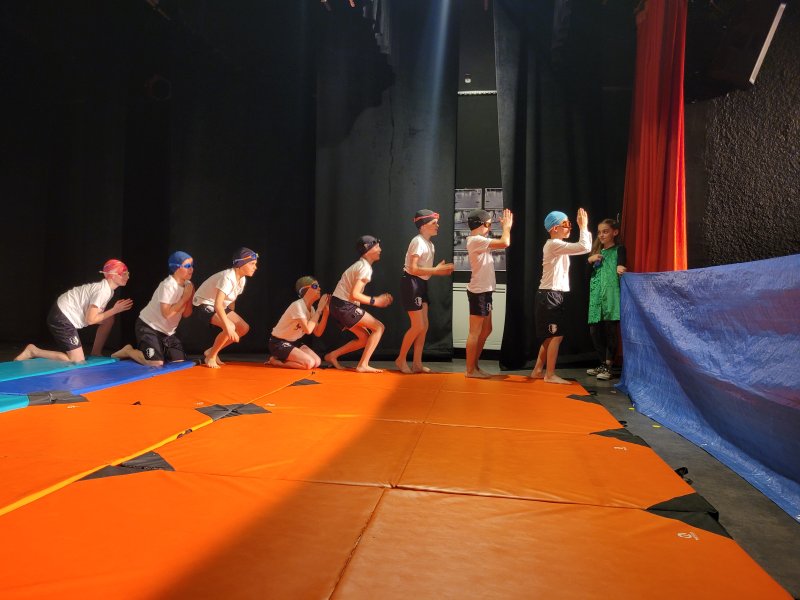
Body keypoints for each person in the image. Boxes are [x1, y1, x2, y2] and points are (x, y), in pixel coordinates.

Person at [14, 259, 134, 364]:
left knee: (108, 319)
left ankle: (96, 353)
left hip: (62, 310)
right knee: (77, 361)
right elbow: (90, 320)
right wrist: (115, 310)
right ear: (112, 276)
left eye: (127, 273)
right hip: (62, 317)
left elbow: (96, 315)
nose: (127, 277)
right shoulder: (103, 291)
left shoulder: (108, 290)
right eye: (124, 274)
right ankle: (33, 351)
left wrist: (112, 312)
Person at [530, 208, 592, 384]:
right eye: (566, 224)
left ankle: (537, 370)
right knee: (556, 336)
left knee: (551, 336)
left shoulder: (557, 245)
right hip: (549, 295)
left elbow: (584, 248)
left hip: (552, 295)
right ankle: (549, 374)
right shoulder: (554, 244)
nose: (569, 227)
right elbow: (584, 247)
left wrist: (582, 227)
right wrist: (583, 226)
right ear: (554, 228)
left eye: (570, 224)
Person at [395, 210, 455, 374]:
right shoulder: (418, 241)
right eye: (433, 223)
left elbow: (424, 271)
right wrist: (437, 271)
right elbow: (413, 269)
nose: (437, 225)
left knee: (424, 326)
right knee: (418, 326)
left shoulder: (430, 244)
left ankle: (417, 363)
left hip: (421, 283)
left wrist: (437, 270)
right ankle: (400, 359)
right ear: (422, 226)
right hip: (411, 283)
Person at [112, 251, 195, 367]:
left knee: (179, 361)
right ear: (176, 268)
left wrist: (189, 297)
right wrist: (184, 298)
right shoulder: (167, 285)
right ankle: (128, 351)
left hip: (167, 333)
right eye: (187, 266)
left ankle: (158, 350)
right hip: (149, 326)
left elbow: (187, 314)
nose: (191, 269)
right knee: (156, 362)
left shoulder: (189, 286)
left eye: (192, 265)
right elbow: (166, 314)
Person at [325, 236, 393, 373]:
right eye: (377, 246)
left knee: (364, 338)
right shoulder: (364, 267)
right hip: (343, 305)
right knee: (379, 327)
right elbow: (354, 295)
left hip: (338, 305)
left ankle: (332, 355)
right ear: (367, 250)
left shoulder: (360, 265)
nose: (380, 249)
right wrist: (376, 301)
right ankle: (363, 365)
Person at [465, 208, 513, 378]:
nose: (490, 227)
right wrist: (507, 227)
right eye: (488, 224)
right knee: (475, 332)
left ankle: (474, 366)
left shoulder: (480, 240)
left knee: (487, 329)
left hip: (485, 291)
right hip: (479, 291)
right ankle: (470, 370)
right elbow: (505, 242)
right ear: (480, 224)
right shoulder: (475, 240)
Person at [192, 247, 258, 368]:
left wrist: (230, 317)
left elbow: (231, 301)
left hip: (218, 305)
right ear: (241, 264)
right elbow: (217, 304)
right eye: (252, 264)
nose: (255, 267)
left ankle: (210, 351)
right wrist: (228, 325)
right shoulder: (227, 277)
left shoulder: (242, 279)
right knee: (230, 327)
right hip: (203, 304)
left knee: (243, 328)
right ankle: (211, 357)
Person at [585, 218, 627, 380]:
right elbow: (586, 276)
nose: (601, 235)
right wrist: (589, 260)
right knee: (594, 331)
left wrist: (620, 267)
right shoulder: (597, 253)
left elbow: (621, 264)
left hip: (611, 295)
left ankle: (608, 365)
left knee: (610, 330)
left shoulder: (619, 249)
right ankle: (602, 362)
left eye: (605, 231)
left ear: (614, 232)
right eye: (600, 232)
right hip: (596, 295)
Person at [266, 276, 331, 369]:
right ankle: (276, 362)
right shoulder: (297, 305)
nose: (319, 288)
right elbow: (308, 330)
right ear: (305, 290)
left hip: (294, 342)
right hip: (278, 343)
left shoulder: (312, 309)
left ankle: (284, 357)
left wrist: (325, 314)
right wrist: (319, 309)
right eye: (315, 286)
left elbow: (318, 332)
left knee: (317, 362)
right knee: (309, 363)